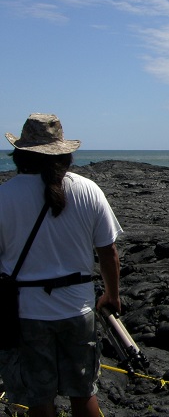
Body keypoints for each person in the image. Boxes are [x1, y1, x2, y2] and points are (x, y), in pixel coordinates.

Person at [0, 113, 122, 417]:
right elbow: (108, 253)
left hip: (25, 313)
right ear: (64, 153)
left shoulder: (4, 196)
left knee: (39, 399)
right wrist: (112, 295)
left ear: (20, 154)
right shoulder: (88, 190)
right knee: (83, 394)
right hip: (77, 309)